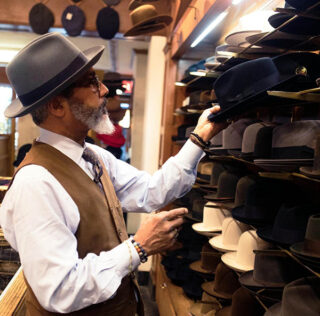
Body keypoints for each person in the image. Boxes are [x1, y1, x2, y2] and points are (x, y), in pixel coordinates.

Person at [0, 33, 225, 316]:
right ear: (57, 105)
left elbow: (151, 191)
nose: (104, 90)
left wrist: (199, 138)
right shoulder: (36, 184)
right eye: (92, 81)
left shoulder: (93, 156)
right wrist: (138, 247)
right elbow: (59, 289)